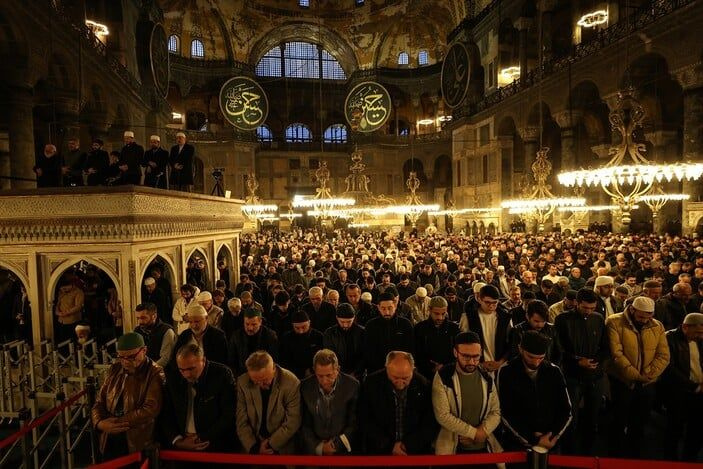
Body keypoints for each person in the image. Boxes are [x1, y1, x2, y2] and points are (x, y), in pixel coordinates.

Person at [605, 296, 670, 458]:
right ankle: (615, 455)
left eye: (648, 317)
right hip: (623, 381)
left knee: (640, 420)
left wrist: (650, 374)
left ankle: (635, 454)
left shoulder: (657, 325)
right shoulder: (614, 322)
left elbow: (663, 355)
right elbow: (616, 354)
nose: (644, 320)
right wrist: (636, 376)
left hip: (647, 383)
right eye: (641, 317)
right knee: (619, 419)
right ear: (632, 310)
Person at [91, 333, 164, 459]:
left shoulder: (154, 372)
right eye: (121, 357)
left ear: (144, 350)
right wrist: (99, 423)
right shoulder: (115, 369)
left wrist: (116, 423)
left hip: (137, 439)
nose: (125, 362)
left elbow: (150, 408)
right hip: (109, 437)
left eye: (131, 357)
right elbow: (99, 402)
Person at [432, 332, 502, 461]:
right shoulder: (444, 376)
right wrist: (474, 433)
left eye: (476, 357)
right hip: (453, 447)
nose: (471, 362)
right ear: (455, 353)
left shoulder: (486, 377)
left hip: (484, 447)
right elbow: (442, 415)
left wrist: (483, 432)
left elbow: (495, 411)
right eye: (466, 357)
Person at [497, 331, 572, 451]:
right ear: (520, 349)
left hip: (550, 441)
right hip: (518, 443)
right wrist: (532, 439)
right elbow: (504, 412)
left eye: (540, 358)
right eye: (531, 357)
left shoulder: (554, 371)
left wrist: (552, 436)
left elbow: (566, 410)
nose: (536, 362)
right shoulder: (507, 371)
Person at [554, 288, 608, 454]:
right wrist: (578, 361)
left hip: (594, 375)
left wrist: (595, 362)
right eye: (585, 308)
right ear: (576, 303)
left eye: (592, 308)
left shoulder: (598, 318)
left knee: (592, 417)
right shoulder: (562, 319)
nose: (589, 311)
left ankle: (588, 454)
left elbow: (605, 346)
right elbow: (558, 349)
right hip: (572, 375)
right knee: (572, 418)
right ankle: (569, 455)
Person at [160, 343, 237, 453]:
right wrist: (177, 441)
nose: (186, 375)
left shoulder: (222, 374)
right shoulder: (173, 377)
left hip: (214, 444)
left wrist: (202, 437)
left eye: (191, 369)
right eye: (182, 370)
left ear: (203, 361)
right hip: (181, 446)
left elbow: (229, 414)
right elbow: (166, 414)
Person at [358, 351, 437, 455]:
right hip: (380, 452)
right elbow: (364, 419)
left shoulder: (424, 385)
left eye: (405, 378)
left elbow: (430, 422)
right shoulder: (371, 383)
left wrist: (407, 445)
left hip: (414, 452)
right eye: (395, 377)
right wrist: (389, 446)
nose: (400, 382)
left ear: (413, 370)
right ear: (387, 369)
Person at [235, 351, 301, 454]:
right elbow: (241, 422)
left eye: (265, 380)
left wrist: (269, 444)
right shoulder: (242, 382)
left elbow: (293, 422)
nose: (260, 384)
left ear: (274, 369)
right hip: (253, 445)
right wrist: (255, 447)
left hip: (282, 446)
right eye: (255, 381)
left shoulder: (291, 382)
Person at [300, 349, 359, 455]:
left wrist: (336, 445)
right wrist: (319, 447)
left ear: (337, 370)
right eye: (320, 376)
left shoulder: (352, 386)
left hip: (343, 450)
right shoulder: (305, 387)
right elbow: (305, 425)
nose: (324, 381)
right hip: (314, 450)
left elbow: (353, 423)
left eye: (329, 375)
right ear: (314, 370)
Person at [661, 312, 703, 461]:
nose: (701, 336)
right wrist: (693, 386)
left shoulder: (700, 339)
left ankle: (689, 459)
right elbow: (668, 368)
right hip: (679, 393)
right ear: (685, 327)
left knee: (697, 430)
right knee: (674, 430)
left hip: (700, 393)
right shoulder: (669, 338)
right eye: (698, 332)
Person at [463, 285, 511, 374]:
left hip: (500, 365)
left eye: (495, 303)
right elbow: (463, 344)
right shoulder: (469, 317)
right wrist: (478, 363)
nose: (491, 306)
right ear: (479, 299)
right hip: (476, 365)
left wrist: (500, 362)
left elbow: (510, 343)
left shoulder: (505, 317)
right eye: (487, 302)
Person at [363, 292, 414, 373]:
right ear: (378, 308)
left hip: (400, 370)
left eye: (390, 308)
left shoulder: (405, 325)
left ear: (395, 306)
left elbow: (410, 349)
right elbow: (368, 351)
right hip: (376, 371)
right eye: (383, 308)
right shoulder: (370, 326)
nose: (387, 312)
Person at [414, 296, 461, 380]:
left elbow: (458, 352)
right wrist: (431, 367)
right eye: (436, 314)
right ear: (429, 310)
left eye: (443, 314)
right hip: (426, 375)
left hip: (450, 373)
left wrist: (445, 366)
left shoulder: (454, 329)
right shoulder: (419, 328)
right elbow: (417, 353)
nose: (440, 317)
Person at [229, 308, 278, 375]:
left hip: (263, 375)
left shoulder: (270, 336)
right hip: (243, 375)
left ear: (260, 322)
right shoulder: (236, 336)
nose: (250, 328)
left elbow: (274, 360)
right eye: (247, 324)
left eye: (254, 324)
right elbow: (232, 360)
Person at [508, 300, 560, 364]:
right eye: (536, 321)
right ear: (527, 316)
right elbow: (514, 355)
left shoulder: (552, 329)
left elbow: (558, 354)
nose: (540, 325)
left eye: (543, 321)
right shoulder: (518, 331)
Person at [323, 303, 366, 379]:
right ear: (337, 318)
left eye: (349, 322)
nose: (345, 325)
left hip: (358, 375)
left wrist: (356, 372)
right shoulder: (329, 333)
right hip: (337, 373)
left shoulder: (362, 332)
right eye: (342, 322)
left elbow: (364, 355)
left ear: (354, 318)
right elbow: (330, 356)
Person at [279, 310, 323, 379]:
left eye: (304, 327)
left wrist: (311, 370)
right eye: (297, 328)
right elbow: (283, 360)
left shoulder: (318, 336)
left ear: (309, 323)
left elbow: (321, 358)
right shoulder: (286, 338)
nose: (300, 331)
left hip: (314, 374)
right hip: (292, 374)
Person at [134, 302, 176, 369]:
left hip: (159, 372)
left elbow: (165, 359)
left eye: (143, 318)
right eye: (138, 318)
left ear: (154, 316)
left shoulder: (166, 331)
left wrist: (149, 370)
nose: (140, 322)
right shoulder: (137, 330)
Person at [54, 279, 84, 343]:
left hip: (72, 320)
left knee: (72, 340)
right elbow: (58, 303)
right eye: (62, 289)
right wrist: (57, 311)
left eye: (65, 288)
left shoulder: (78, 292)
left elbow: (78, 307)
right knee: (62, 339)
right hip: (61, 320)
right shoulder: (62, 292)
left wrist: (66, 313)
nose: (63, 290)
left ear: (71, 285)